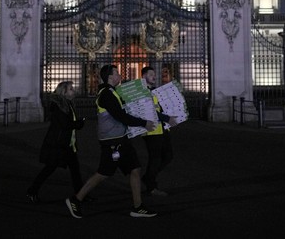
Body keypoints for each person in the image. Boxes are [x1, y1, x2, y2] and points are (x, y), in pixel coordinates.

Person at [65, 64, 158, 218]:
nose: (120, 75)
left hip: (120, 139)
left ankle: (138, 206)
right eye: (117, 73)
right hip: (112, 141)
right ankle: (75, 200)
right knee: (103, 173)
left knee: (135, 169)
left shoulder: (111, 92)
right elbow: (120, 116)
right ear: (109, 77)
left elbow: (122, 112)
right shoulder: (107, 94)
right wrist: (144, 123)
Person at [26, 81, 88, 203]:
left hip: (67, 144)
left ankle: (81, 195)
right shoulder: (58, 107)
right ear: (63, 92)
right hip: (58, 145)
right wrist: (79, 124)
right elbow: (64, 124)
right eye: (70, 89)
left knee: (75, 171)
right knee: (49, 169)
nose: (73, 91)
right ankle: (32, 191)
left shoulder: (68, 104)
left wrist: (77, 123)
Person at [141, 66, 178, 197]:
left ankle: (148, 177)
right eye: (151, 74)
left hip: (161, 128)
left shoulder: (153, 91)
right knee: (155, 159)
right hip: (151, 131)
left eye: (154, 74)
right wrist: (167, 118)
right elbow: (150, 111)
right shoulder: (142, 92)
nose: (154, 76)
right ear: (143, 76)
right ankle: (151, 186)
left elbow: (159, 108)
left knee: (168, 156)